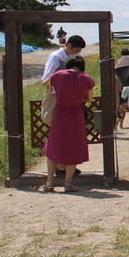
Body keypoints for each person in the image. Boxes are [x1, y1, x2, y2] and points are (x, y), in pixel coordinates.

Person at [43, 55, 94, 193]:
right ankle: (68, 184)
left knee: (54, 146)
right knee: (73, 146)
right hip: (76, 114)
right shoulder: (86, 78)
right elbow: (90, 98)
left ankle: (49, 182)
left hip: (60, 114)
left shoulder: (58, 75)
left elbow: (50, 90)